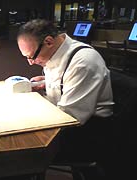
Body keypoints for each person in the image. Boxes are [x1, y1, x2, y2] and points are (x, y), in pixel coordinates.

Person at [17, 19, 114, 179]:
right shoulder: (57, 52)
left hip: (86, 134)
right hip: (67, 119)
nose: (31, 62)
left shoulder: (82, 62)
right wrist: (45, 83)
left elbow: (70, 117)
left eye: (32, 56)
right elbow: (64, 81)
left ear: (48, 42)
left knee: (19, 149)